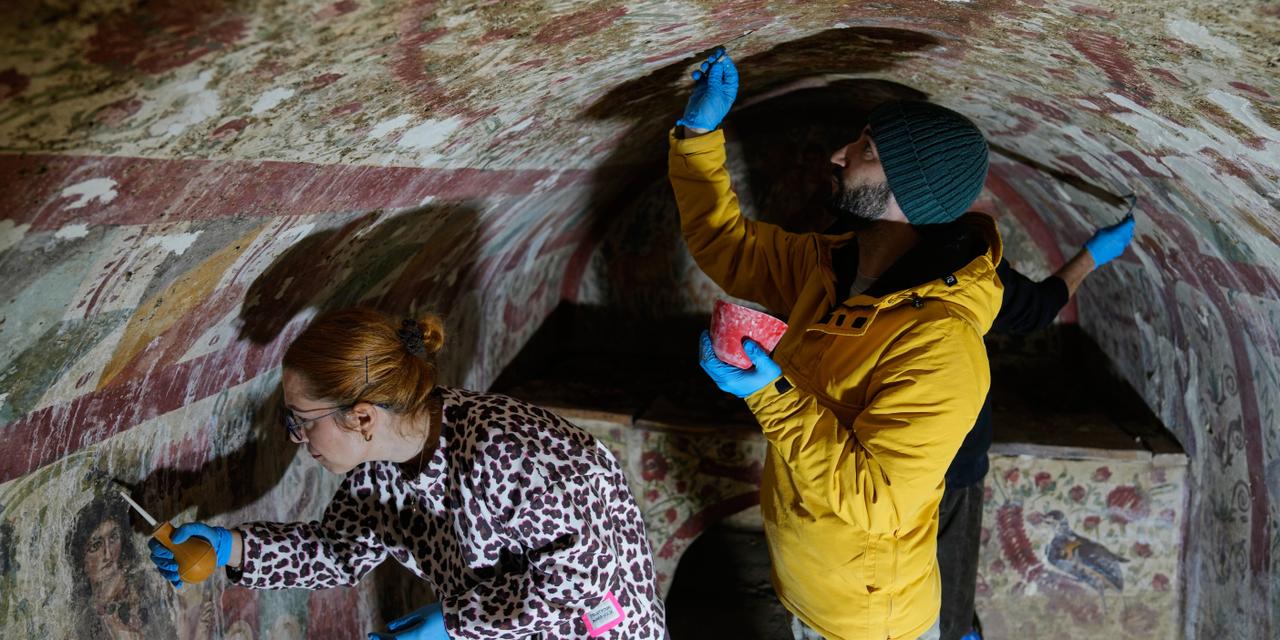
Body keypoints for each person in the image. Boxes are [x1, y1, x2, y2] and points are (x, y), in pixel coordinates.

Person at [672, 48, 1000, 639]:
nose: (838, 156)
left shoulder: (940, 343)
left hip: (869, 622)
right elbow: (726, 244)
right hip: (809, 584)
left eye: (866, 151)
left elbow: (880, 501)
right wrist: (698, 134)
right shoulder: (829, 265)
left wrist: (770, 393)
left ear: (910, 193)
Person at [147, 307, 666, 639]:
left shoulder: (511, 452)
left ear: (363, 417)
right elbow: (338, 551)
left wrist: (451, 625)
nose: (294, 438)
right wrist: (227, 547)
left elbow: (580, 583)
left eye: (301, 422)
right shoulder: (376, 473)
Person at [936, 214, 1136, 640]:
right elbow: (1036, 309)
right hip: (949, 455)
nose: (837, 159)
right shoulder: (960, 250)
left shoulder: (855, 237)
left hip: (900, 452)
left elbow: (1033, 309)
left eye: (864, 151)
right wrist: (1092, 256)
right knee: (944, 585)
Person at [67, 494, 178, 640]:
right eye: (96, 545)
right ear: (81, 561)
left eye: (113, 537)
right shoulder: (80, 617)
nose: (108, 553)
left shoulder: (149, 583)